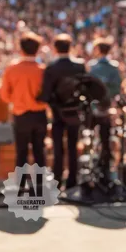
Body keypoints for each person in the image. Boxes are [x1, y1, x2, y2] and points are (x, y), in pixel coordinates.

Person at [40, 33, 87, 189]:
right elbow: (84, 89)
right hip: (74, 112)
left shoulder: (51, 68)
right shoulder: (79, 66)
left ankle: (57, 180)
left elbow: (46, 95)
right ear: (70, 47)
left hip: (57, 113)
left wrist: (55, 105)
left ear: (55, 48)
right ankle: (73, 181)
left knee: (58, 147)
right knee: (73, 146)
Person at [0, 32, 47, 168]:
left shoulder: (12, 68)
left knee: (21, 152)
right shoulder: (43, 70)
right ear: (37, 50)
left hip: (20, 114)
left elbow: (4, 95)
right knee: (39, 151)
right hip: (39, 114)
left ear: (21, 49)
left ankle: (20, 185)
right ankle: (40, 185)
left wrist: (17, 100)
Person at [87, 37, 120, 175]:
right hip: (106, 106)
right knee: (105, 136)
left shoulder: (93, 66)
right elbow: (116, 88)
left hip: (94, 106)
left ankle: (94, 163)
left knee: (90, 135)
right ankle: (105, 161)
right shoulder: (114, 67)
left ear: (98, 50)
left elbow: (88, 86)